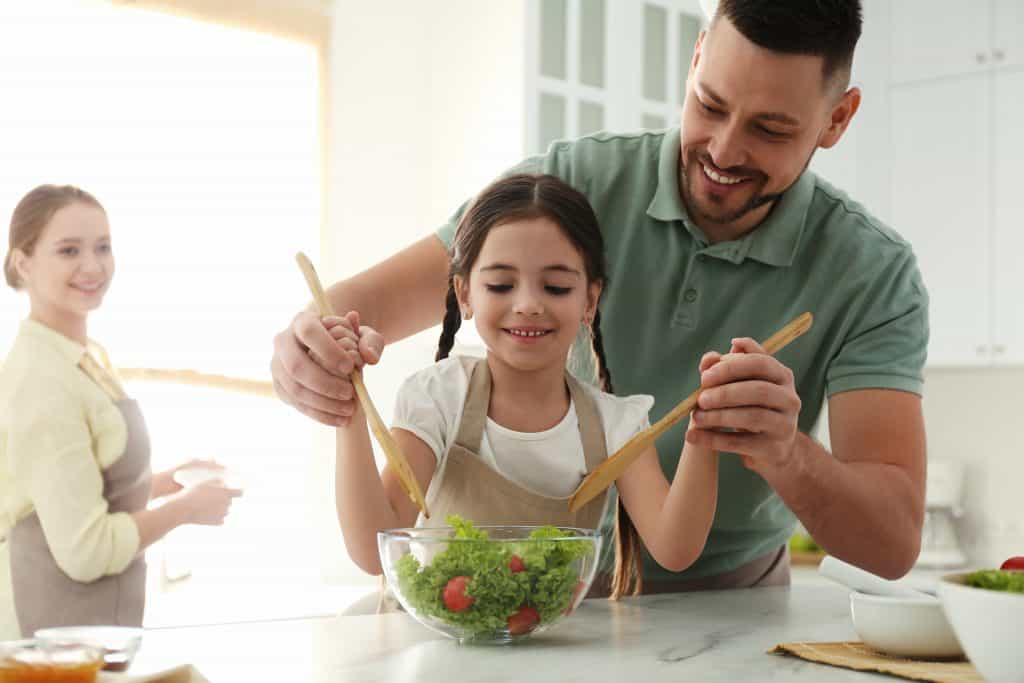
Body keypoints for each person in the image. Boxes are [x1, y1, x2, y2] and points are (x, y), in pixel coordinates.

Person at [272, 0, 927, 591]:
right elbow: (364, 303)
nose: (724, 150)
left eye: (772, 129)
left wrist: (788, 452)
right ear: (696, 57)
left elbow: (893, 544)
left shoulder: (874, 272)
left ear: (837, 119)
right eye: (710, 103)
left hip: (728, 600)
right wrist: (311, 345)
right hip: (501, 590)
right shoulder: (572, 181)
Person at [332, 174, 720, 598]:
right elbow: (374, 550)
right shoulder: (441, 397)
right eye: (500, 285)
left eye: (556, 287)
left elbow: (675, 547)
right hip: (434, 649)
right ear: (464, 294)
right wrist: (347, 408)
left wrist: (707, 433)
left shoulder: (615, 424)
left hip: (551, 656)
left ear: (590, 300)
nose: (529, 305)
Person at [0, 184, 243, 639]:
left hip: (91, 629)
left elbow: (79, 495)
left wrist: (170, 480)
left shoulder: (85, 357)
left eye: (103, 247)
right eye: (69, 250)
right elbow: (86, 550)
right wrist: (184, 509)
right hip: (44, 640)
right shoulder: (40, 379)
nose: (93, 266)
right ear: (23, 263)